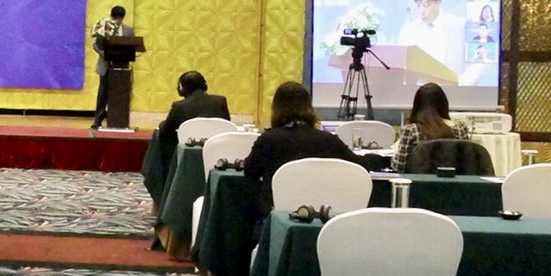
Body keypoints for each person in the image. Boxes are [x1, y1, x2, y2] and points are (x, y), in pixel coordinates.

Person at [243, 81, 369, 217]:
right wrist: (381, 159)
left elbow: (250, 171)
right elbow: (359, 164)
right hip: (324, 215)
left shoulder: (268, 140)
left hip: (277, 215)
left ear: (276, 108)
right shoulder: (328, 140)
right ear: (309, 106)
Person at [397, 0, 466, 81]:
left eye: (426, 5)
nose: (422, 11)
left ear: (439, 0)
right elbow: (399, 66)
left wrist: (464, 83)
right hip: (416, 90)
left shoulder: (459, 26)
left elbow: (477, 63)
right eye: (418, 5)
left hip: (450, 89)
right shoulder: (408, 30)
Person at [392, 82, 470, 173]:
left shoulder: (411, 130)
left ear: (417, 106)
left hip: (418, 182)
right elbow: (468, 164)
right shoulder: (461, 129)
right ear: (444, 104)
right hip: (456, 181)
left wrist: (396, 152)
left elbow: (399, 167)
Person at [157, 70, 231, 148]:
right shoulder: (221, 101)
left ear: (181, 89)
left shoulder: (179, 106)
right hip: (217, 147)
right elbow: (227, 124)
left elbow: (167, 129)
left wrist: (161, 124)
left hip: (190, 148)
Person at [90, 5, 134, 129]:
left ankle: (119, 120)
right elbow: (96, 44)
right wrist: (103, 53)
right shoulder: (103, 27)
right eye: (115, 18)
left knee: (120, 93)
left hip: (121, 66)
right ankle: (98, 120)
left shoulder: (128, 30)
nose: (117, 21)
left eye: (119, 19)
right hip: (105, 65)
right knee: (103, 93)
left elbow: (132, 45)